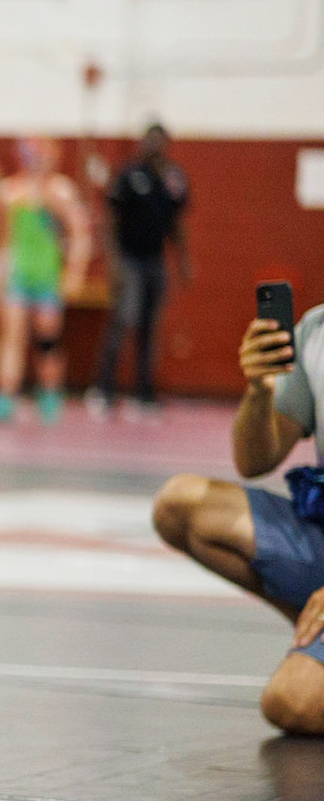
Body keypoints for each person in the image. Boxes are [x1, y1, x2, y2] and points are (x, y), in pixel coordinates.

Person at [153, 301, 324, 734]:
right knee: (180, 504)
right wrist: (259, 390)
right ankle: (312, 626)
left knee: (292, 701)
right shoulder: (317, 329)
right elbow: (254, 460)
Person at [90, 123, 192, 418]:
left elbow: (176, 223)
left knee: (150, 327)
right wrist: (114, 263)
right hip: (129, 259)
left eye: (160, 140)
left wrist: (183, 261)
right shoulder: (129, 175)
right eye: (150, 139)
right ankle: (104, 389)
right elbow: (110, 220)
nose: (154, 145)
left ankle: (144, 393)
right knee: (124, 320)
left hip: (155, 260)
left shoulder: (174, 178)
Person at [0, 137, 90, 424]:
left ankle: (49, 392)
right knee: (12, 334)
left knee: (48, 336)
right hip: (17, 274)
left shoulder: (62, 191)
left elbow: (79, 234)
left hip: (47, 275)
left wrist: (74, 273)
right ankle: (5, 394)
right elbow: (2, 238)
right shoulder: (9, 191)